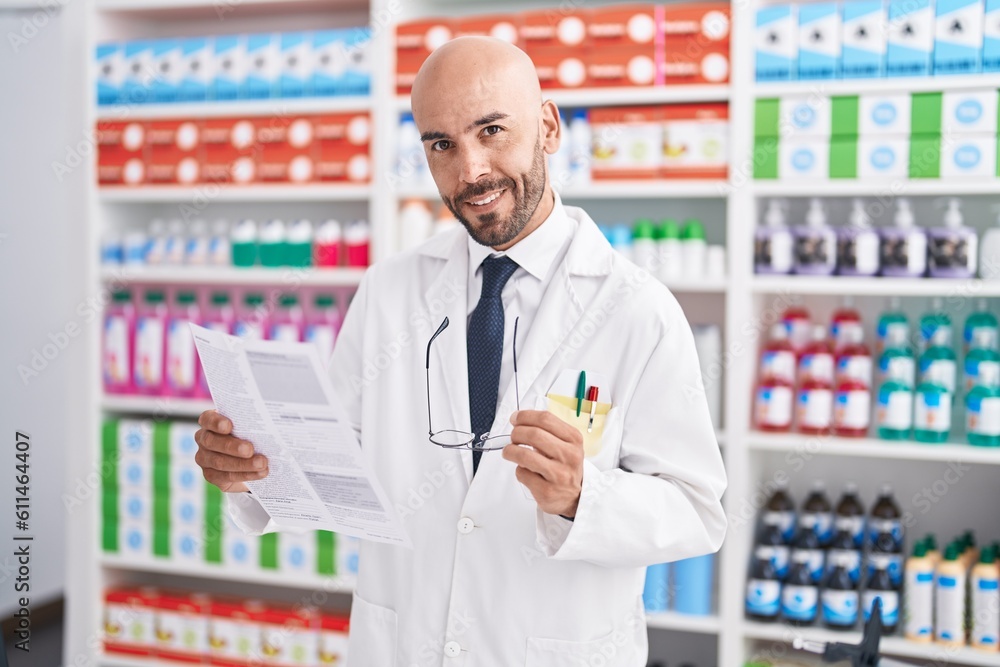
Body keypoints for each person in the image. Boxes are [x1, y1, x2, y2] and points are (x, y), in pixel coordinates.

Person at [195, 36, 726, 666]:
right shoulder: (390, 290)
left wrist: (582, 496)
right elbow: (335, 462)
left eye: (493, 130)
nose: (470, 170)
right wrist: (252, 472)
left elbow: (696, 509)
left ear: (549, 128)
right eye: (441, 144)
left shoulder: (638, 309)